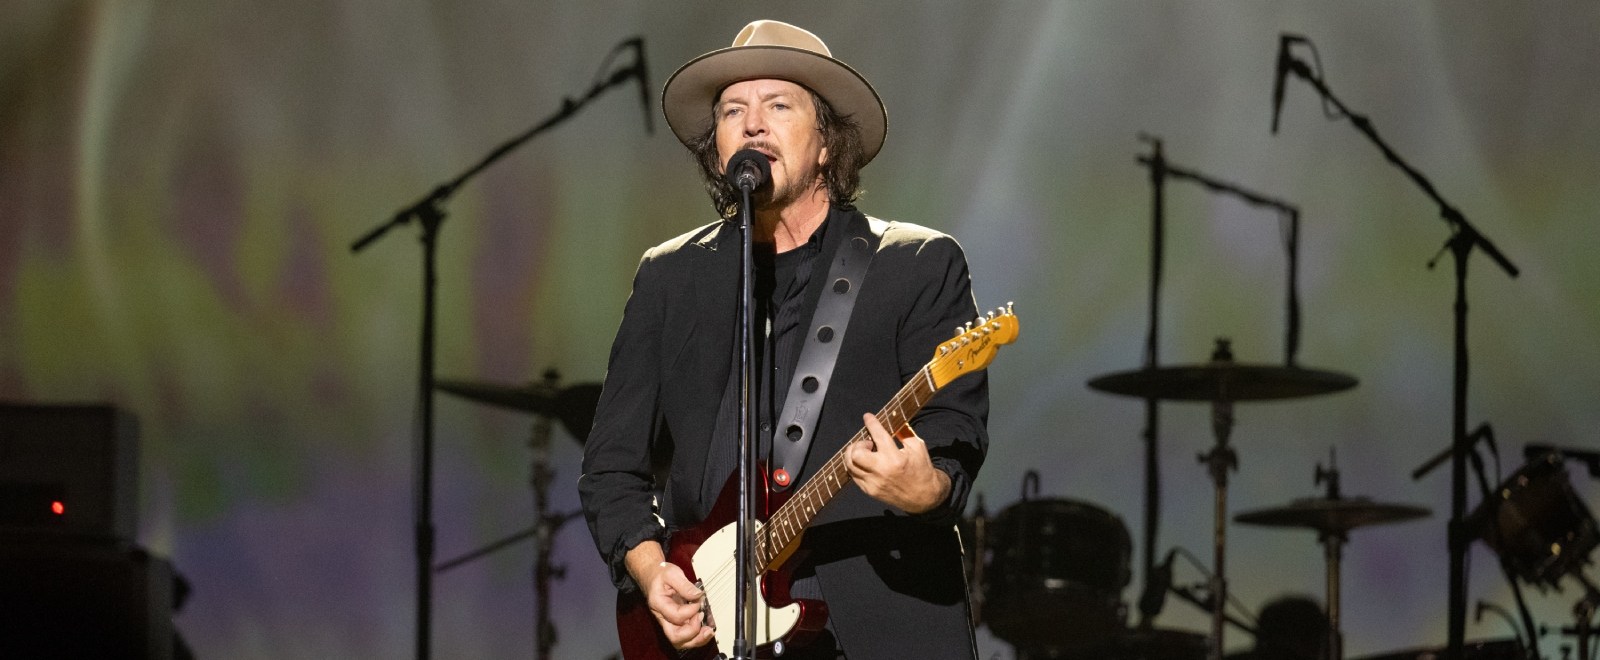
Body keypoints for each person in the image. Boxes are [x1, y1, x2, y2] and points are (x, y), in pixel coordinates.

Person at [578, 19, 990, 660]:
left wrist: (926, 488)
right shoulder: (669, 276)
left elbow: (953, 437)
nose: (752, 124)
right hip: (711, 629)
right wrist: (652, 571)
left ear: (827, 142)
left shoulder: (915, 265)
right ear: (717, 147)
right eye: (732, 110)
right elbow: (611, 467)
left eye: (778, 104)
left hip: (872, 628)